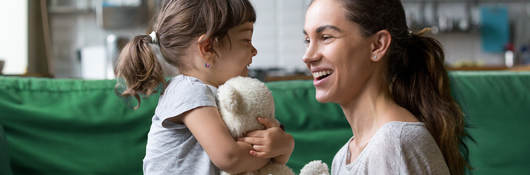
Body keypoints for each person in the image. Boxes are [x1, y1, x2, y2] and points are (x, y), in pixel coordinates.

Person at [115, 0, 294, 174]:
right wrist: (277, 151)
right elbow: (230, 158)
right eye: (246, 40)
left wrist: (280, 145)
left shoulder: (218, 94)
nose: (254, 50)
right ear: (207, 48)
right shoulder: (188, 90)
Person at [302, 0, 471, 174]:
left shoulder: (393, 143)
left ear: (377, 45)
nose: (307, 56)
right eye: (308, 40)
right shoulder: (343, 157)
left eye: (326, 37)